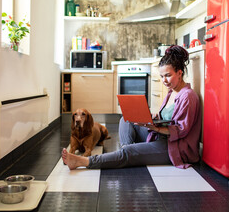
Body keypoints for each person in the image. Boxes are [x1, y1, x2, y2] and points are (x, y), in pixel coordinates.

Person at [62, 45, 201, 170]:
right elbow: (167, 117)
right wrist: (153, 117)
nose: (164, 81)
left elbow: (181, 131)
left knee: (128, 153)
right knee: (126, 119)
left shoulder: (188, 96)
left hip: (175, 147)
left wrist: (156, 128)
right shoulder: (172, 91)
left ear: (180, 73)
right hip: (161, 136)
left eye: (168, 76)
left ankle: (84, 161)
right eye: (162, 76)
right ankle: (127, 154)